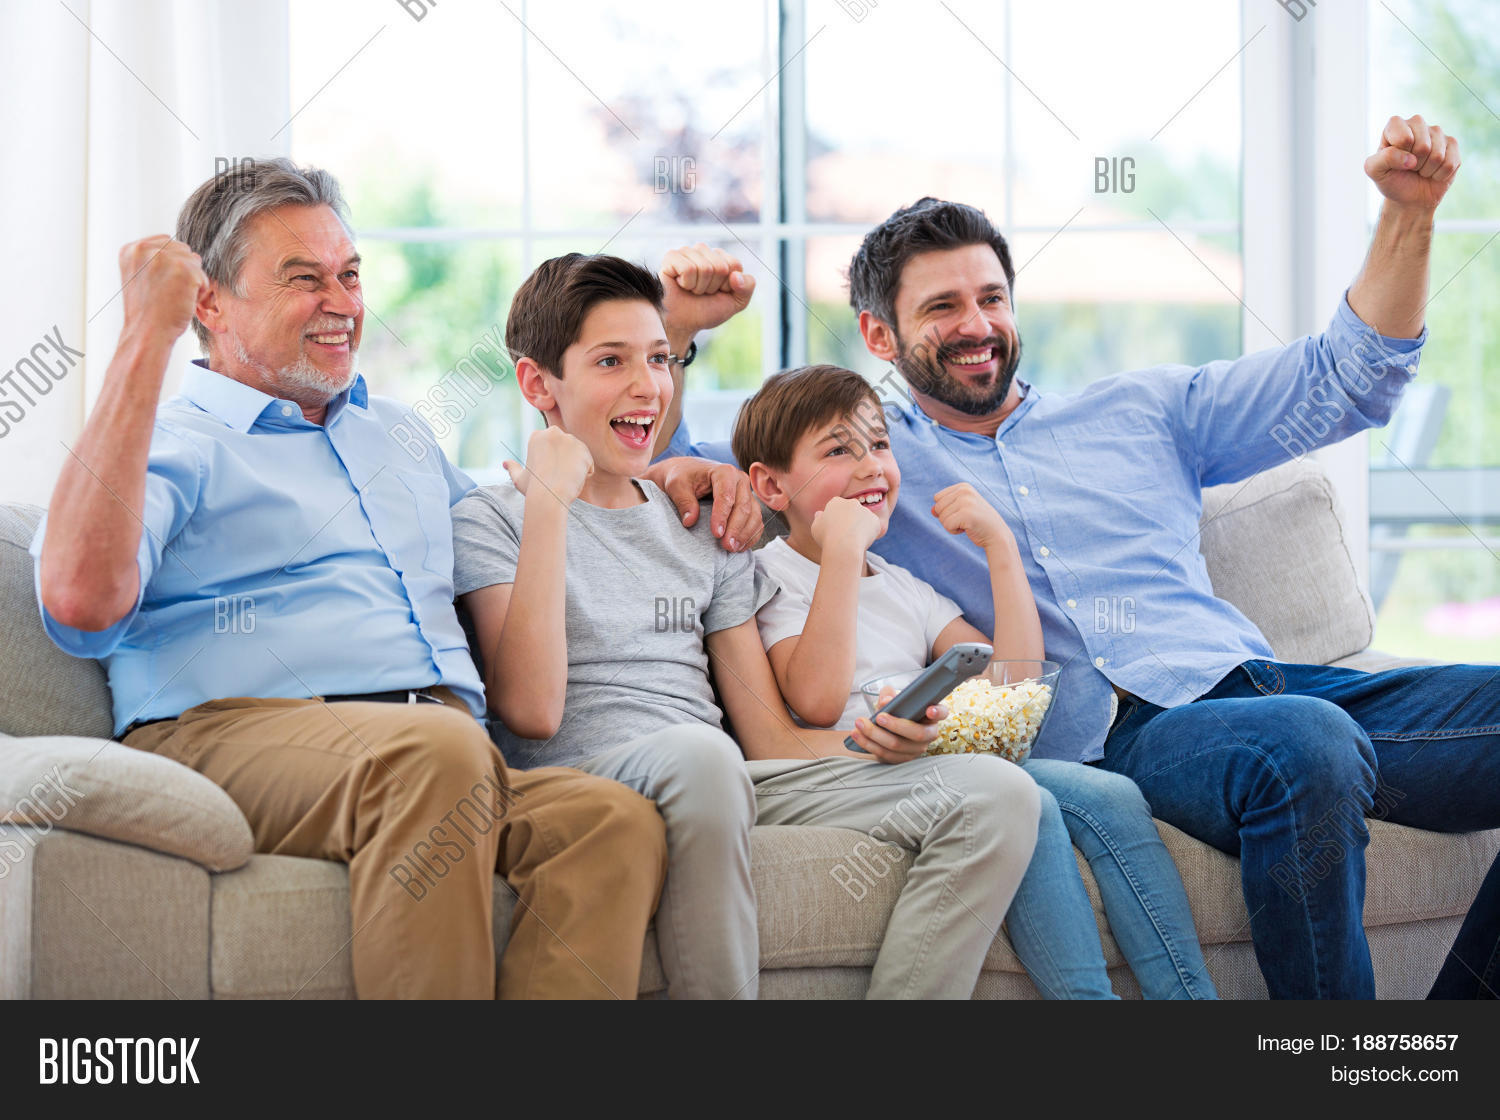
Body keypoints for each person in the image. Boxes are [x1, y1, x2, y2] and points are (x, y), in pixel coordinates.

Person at [652, 114, 1499, 999]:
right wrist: (677, 331)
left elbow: (1347, 380)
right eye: (941, 308)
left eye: (991, 298)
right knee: (1307, 741)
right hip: (1122, 739)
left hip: (1259, 683)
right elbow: (675, 468)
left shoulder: (1148, 409)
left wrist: (1409, 216)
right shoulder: (865, 464)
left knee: (1311, 724)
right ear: (879, 336)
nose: (976, 324)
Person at [29, 157, 673, 999]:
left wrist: (672, 478)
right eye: (305, 280)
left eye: (350, 275)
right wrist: (142, 340)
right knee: (437, 754)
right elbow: (77, 603)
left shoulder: (397, 435)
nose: (343, 304)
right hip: (227, 733)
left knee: (608, 823)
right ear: (210, 305)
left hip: (437, 752)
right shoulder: (173, 438)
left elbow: (518, 520)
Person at [454, 251, 1043, 1000]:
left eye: (660, 359)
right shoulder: (491, 520)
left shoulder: (701, 523)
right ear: (539, 384)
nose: (647, 385)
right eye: (611, 361)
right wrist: (547, 503)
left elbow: (765, 739)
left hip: (726, 777)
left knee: (1000, 793)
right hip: (585, 781)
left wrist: (886, 747)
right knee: (704, 757)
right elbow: (532, 713)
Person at [735, 364, 1215, 999]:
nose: (871, 465)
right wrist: (843, 554)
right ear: (771, 485)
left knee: (1113, 795)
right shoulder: (767, 576)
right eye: (838, 450)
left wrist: (1001, 548)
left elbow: (1014, 687)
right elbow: (816, 701)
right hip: (854, 772)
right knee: (1030, 803)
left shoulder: (902, 584)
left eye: (879, 444)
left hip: (935, 757)